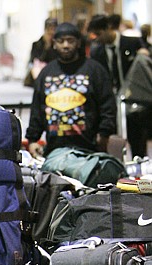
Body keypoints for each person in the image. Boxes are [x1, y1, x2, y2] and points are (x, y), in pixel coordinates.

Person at [25, 22, 117, 159]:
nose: (66, 45)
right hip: (54, 152)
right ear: (54, 43)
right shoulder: (46, 73)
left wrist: (104, 134)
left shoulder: (94, 70)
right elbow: (37, 109)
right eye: (61, 41)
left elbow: (107, 105)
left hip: (89, 150)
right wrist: (33, 139)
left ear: (79, 43)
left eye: (70, 41)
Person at [88, 13, 149, 156]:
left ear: (108, 28)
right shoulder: (97, 52)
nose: (97, 38)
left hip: (135, 100)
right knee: (113, 138)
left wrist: (144, 54)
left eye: (98, 33)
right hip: (111, 101)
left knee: (138, 138)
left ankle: (138, 166)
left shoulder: (133, 43)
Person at [24, 18, 58, 88]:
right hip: (40, 70)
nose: (51, 33)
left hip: (54, 70)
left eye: (53, 30)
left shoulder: (57, 45)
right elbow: (34, 59)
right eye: (49, 30)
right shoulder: (37, 44)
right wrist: (47, 46)